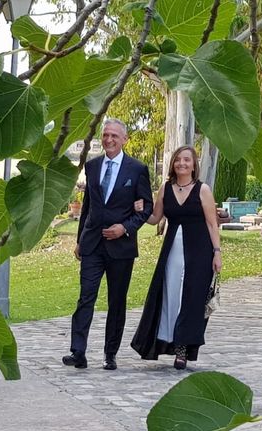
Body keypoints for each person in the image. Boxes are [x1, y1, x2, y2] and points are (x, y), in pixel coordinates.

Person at [62, 119, 153, 370]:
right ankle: (78, 352)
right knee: (85, 298)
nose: (109, 139)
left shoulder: (137, 169)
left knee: (117, 301)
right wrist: (80, 240)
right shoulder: (91, 166)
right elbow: (88, 206)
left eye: (114, 135)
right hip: (92, 245)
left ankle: (110, 353)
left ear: (124, 139)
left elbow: (146, 209)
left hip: (121, 248)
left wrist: (124, 228)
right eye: (105, 135)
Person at [131, 145, 222, 369]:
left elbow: (212, 224)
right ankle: (167, 341)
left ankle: (183, 349)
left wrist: (217, 253)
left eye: (187, 160)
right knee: (171, 295)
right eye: (178, 160)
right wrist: (139, 210)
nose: (182, 163)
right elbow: (155, 218)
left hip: (199, 251)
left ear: (194, 164)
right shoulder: (165, 188)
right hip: (172, 250)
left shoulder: (203, 190)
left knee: (191, 298)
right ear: (173, 163)